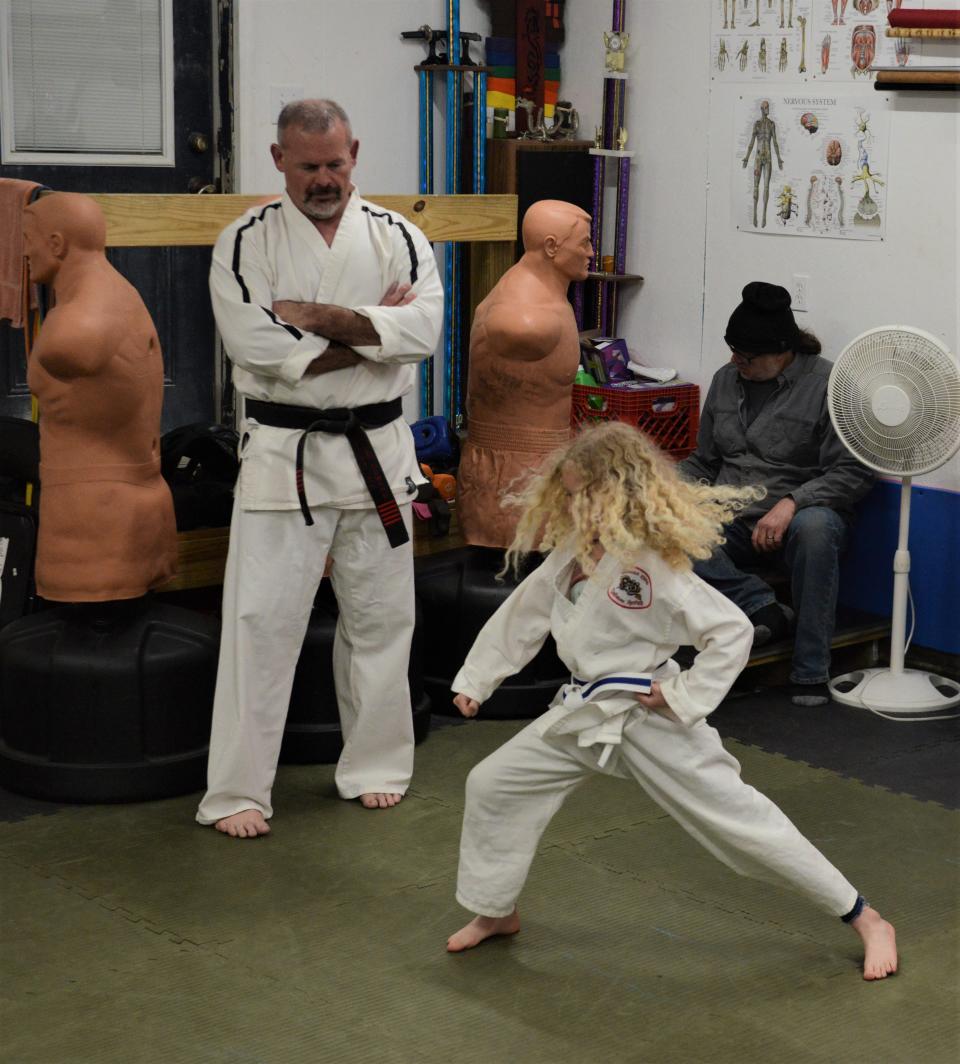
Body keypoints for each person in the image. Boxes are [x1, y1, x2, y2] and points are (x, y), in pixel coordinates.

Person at [445, 421, 897, 981]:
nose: (575, 501)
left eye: (586, 491)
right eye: (568, 490)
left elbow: (730, 630)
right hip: (583, 712)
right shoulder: (570, 552)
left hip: (648, 716)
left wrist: (683, 696)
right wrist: (477, 679)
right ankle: (496, 910)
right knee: (493, 783)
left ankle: (866, 918)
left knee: (741, 824)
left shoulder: (653, 565)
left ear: (619, 492)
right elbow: (525, 613)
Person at [196, 99, 443, 837]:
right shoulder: (244, 242)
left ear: (355, 152)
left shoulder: (398, 233)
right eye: (308, 167)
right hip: (285, 456)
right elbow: (259, 348)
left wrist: (325, 316)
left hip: (379, 453)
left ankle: (374, 764)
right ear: (278, 161)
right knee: (260, 623)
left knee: (381, 617)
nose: (324, 179)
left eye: (336, 163)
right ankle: (238, 791)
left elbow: (424, 329)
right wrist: (376, 327)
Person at [679, 281, 874, 707]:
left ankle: (809, 670)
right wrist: (661, 490)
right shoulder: (726, 379)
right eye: (733, 351)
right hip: (729, 514)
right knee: (667, 525)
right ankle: (761, 605)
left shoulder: (831, 385)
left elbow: (854, 471)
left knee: (817, 527)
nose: (736, 362)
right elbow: (704, 462)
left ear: (783, 350)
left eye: (747, 356)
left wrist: (794, 502)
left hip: (796, 518)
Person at [22, 192, 177, 603]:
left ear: (56, 244)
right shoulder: (118, 292)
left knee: (85, 657)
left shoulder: (79, 318)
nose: (23, 251)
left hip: (94, 523)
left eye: (27, 239)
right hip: (129, 505)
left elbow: (71, 347)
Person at [457, 199, 592, 548]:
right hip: (515, 483)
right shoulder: (528, 319)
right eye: (584, 243)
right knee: (523, 588)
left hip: (532, 473)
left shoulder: (540, 298)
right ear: (551, 247)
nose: (591, 252)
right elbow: (510, 327)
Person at [742, 100, 783, 229]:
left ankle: (764, 216)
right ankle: (755, 214)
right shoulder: (757, 124)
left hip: (769, 158)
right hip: (759, 158)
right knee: (756, 186)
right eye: (766, 108)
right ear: (761, 109)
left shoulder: (772, 124)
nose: (768, 109)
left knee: (766, 187)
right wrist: (747, 158)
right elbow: (752, 142)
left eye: (768, 107)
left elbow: (775, 142)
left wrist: (779, 159)